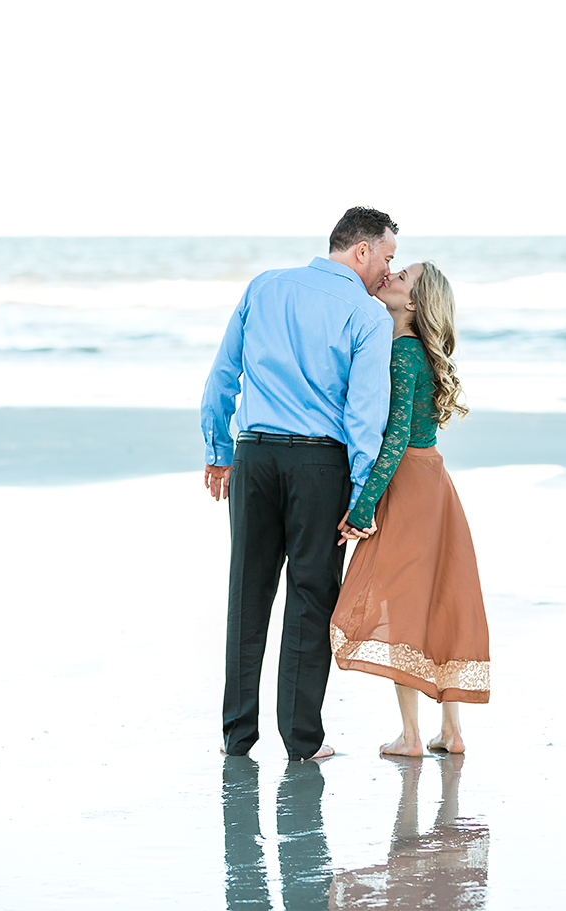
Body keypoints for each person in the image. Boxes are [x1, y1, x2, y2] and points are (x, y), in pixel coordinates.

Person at [201, 206, 397, 761]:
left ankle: (236, 736)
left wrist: (218, 448)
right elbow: (365, 416)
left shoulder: (264, 287)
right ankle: (301, 742)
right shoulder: (368, 315)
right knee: (311, 599)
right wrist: (363, 497)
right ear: (361, 250)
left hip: (254, 457)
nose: (388, 269)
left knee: (248, 593)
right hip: (320, 465)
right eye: (386, 256)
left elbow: (222, 374)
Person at [330, 262, 490, 756]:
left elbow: (394, 439)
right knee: (438, 597)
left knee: (403, 600)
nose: (390, 277)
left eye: (401, 277)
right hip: (435, 479)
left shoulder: (401, 352)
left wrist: (363, 505)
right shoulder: (419, 352)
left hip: (408, 486)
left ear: (414, 303)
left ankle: (412, 736)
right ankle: (452, 730)